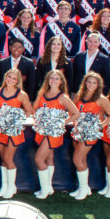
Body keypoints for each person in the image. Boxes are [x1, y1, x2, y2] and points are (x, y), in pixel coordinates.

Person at [32, 70, 80, 199]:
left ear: (61, 82)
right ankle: (49, 188)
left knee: (38, 159)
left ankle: (45, 189)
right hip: (42, 129)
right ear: (47, 80)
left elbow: (76, 113)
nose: (53, 81)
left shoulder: (63, 97)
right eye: (51, 78)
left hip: (53, 132)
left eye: (56, 79)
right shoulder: (43, 94)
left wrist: (60, 122)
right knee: (48, 158)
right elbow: (35, 109)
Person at [71, 72, 110, 200]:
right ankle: (84, 187)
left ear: (98, 85)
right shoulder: (79, 95)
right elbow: (74, 112)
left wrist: (100, 125)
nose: (91, 85)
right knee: (81, 159)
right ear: (85, 83)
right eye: (88, 82)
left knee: (77, 159)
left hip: (90, 133)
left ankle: (84, 188)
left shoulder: (101, 99)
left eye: (94, 82)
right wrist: (75, 125)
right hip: (78, 131)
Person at [0, 68, 33, 199]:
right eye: (9, 77)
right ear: (5, 77)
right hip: (0, 129)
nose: (10, 80)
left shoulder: (22, 94)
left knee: (8, 158)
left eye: (14, 78)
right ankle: (4, 186)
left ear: (18, 81)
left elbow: (29, 111)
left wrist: (17, 118)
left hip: (14, 130)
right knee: (3, 158)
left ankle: (11, 186)